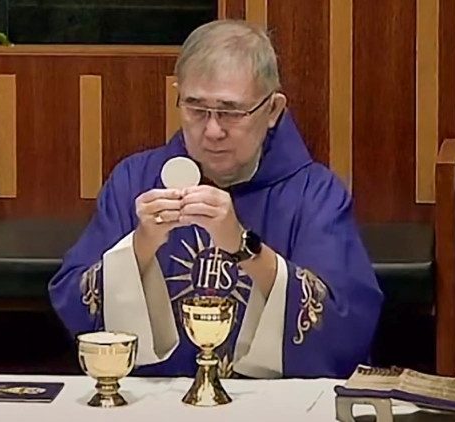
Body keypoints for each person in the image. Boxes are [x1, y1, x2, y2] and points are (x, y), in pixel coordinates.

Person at [48, 19, 382, 379]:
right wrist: (140, 247)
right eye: (196, 109)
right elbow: (75, 305)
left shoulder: (315, 194)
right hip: (158, 399)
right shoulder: (135, 181)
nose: (212, 130)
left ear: (272, 110)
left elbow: (344, 326)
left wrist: (243, 247)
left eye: (231, 112)